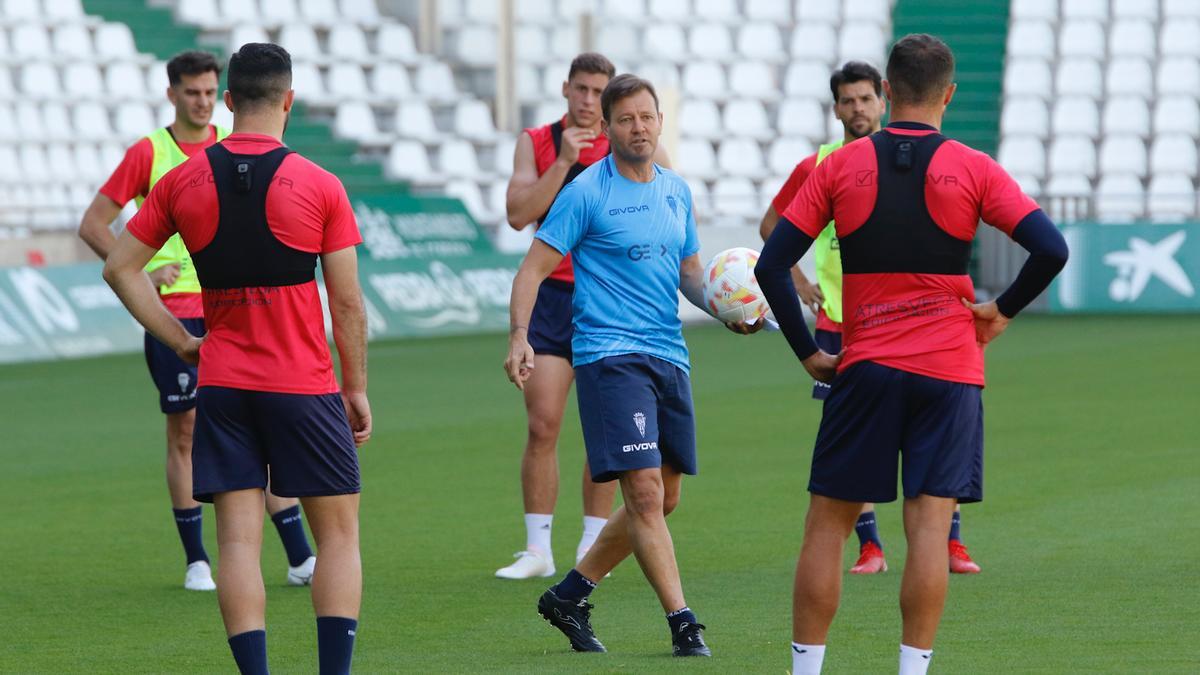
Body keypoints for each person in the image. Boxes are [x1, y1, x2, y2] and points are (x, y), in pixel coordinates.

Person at [755, 34, 1067, 674]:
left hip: (866, 366)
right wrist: (1001, 310)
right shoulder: (974, 166)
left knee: (827, 528)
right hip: (951, 372)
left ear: (889, 91)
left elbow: (771, 263)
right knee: (929, 532)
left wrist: (809, 354)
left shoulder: (838, 167)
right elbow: (1052, 249)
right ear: (949, 95)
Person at [102, 43, 371, 675]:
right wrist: (355, 387)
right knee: (337, 536)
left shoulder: (181, 180)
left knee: (238, 544)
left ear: (227, 102)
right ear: (289, 101)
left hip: (222, 383)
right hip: (304, 383)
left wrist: (180, 340)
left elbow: (120, 267)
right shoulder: (319, 183)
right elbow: (349, 304)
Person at [505, 73, 759, 658]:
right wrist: (520, 335)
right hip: (609, 356)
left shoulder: (676, 191)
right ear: (609, 127)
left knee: (665, 497)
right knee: (644, 495)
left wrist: (726, 310)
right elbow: (532, 271)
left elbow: (691, 274)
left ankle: (568, 596)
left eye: (647, 117)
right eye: (626, 119)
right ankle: (683, 621)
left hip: (668, 354)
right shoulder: (586, 191)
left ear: (659, 122)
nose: (638, 128)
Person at [77, 50, 316, 592]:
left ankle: (300, 555)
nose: (202, 102)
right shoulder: (151, 152)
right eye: (192, 92)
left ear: (224, 97)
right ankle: (197, 559)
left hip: (236, 307)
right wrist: (147, 268)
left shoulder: (233, 151)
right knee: (185, 433)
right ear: (173, 95)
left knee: (262, 423)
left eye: (210, 92)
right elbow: (94, 224)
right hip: (176, 312)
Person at [759, 61, 981, 577]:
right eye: (847, 101)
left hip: (913, 322)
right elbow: (772, 226)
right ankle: (870, 546)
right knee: (856, 445)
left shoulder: (912, 161)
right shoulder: (821, 165)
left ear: (883, 101)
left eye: (865, 99)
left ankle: (951, 541)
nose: (857, 108)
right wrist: (798, 281)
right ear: (836, 107)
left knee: (932, 439)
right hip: (841, 321)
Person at [500, 53, 672, 579]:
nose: (588, 100)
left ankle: (593, 543)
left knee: (606, 431)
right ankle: (537, 549)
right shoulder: (538, 141)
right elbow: (517, 214)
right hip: (553, 297)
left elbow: (664, 205)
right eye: (581, 88)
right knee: (543, 422)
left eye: (599, 91)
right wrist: (561, 164)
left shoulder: (631, 141)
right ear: (565, 89)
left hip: (609, 303)